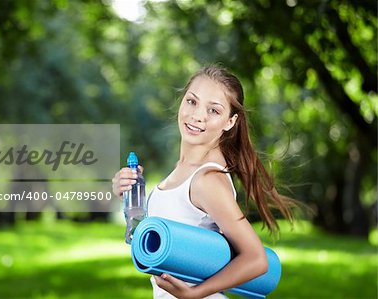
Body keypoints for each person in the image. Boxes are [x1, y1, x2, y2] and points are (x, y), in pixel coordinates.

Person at [112, 64, 296, 299]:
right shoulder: (185, 170)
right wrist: (128, 197)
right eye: (192, 101)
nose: (198, 116)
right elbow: (155, 245)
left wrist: (195, 294)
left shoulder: (207, 180)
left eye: (214, 110)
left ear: (230, 121)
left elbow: (256, 259)